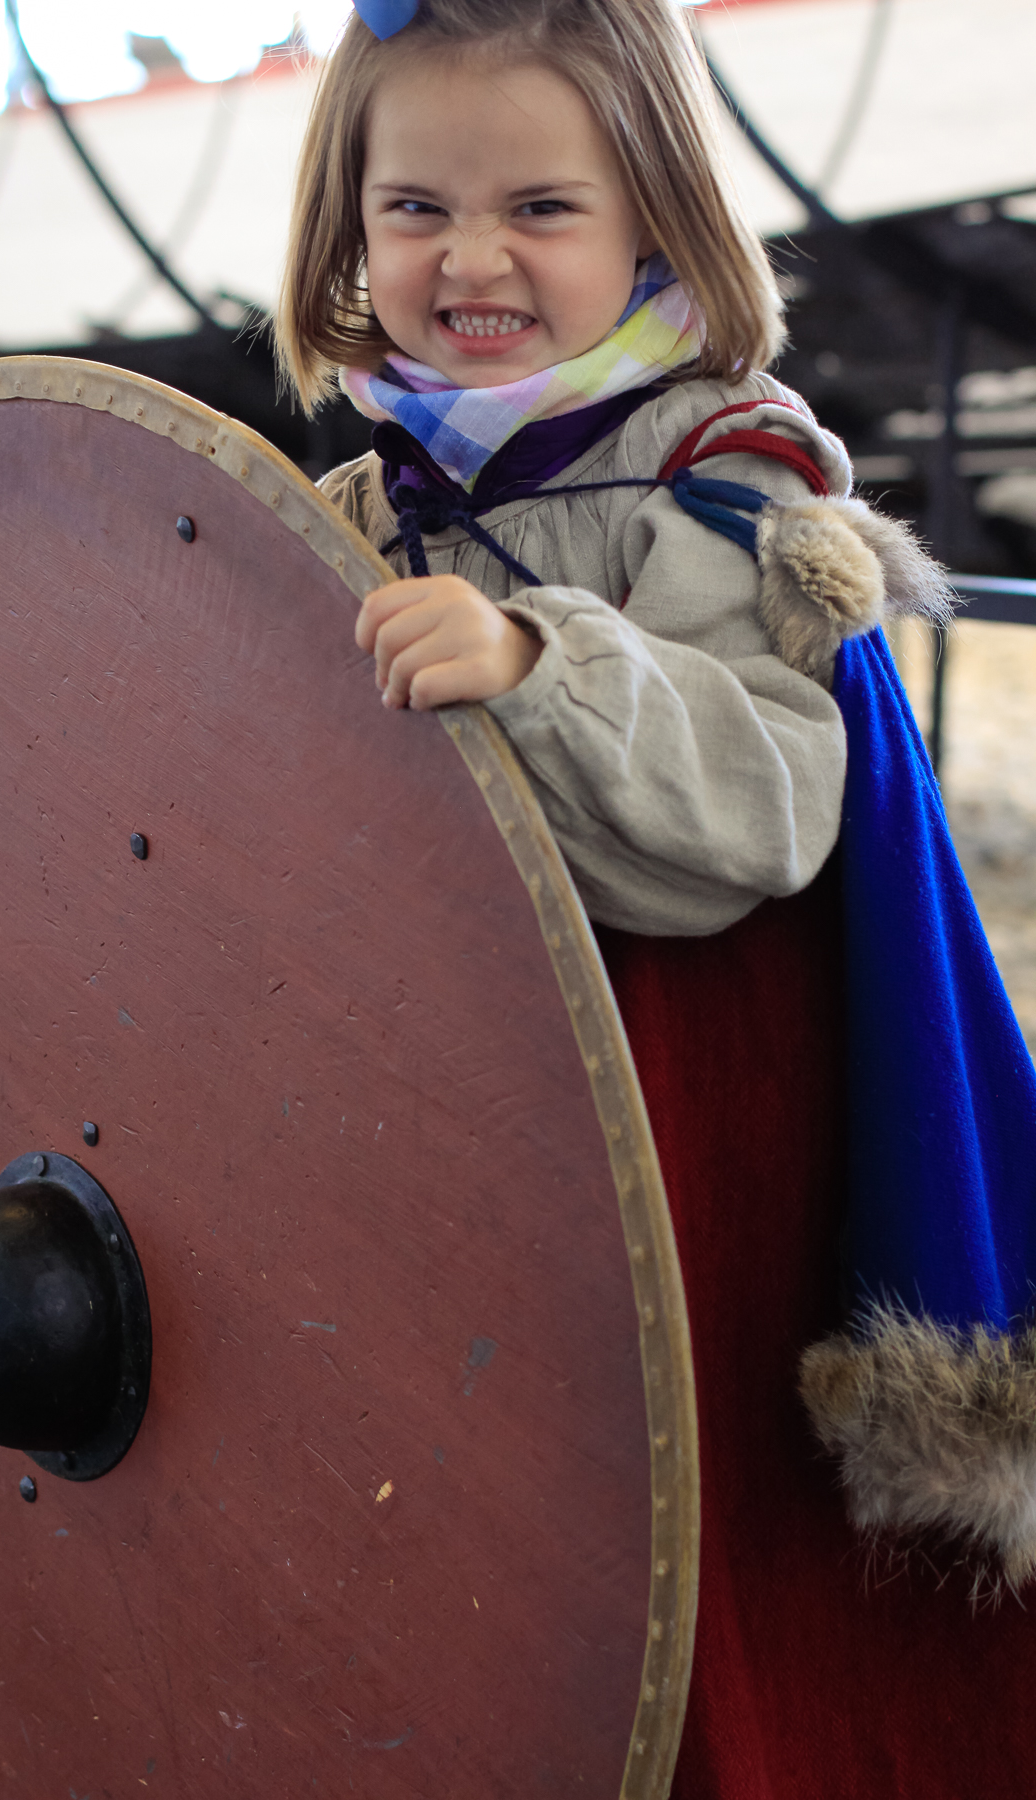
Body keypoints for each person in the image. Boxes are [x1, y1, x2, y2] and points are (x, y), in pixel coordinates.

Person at [275, 2, 1036, 1795]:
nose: (470, 259)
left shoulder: (722, 476)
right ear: (347, 229)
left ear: (657, 221)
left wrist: (538, 655)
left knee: (677, 1580)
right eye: (414, 209)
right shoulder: (363, 499)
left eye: (540, 206)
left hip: (685, 1155)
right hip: (450, 1126)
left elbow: (773, 802)